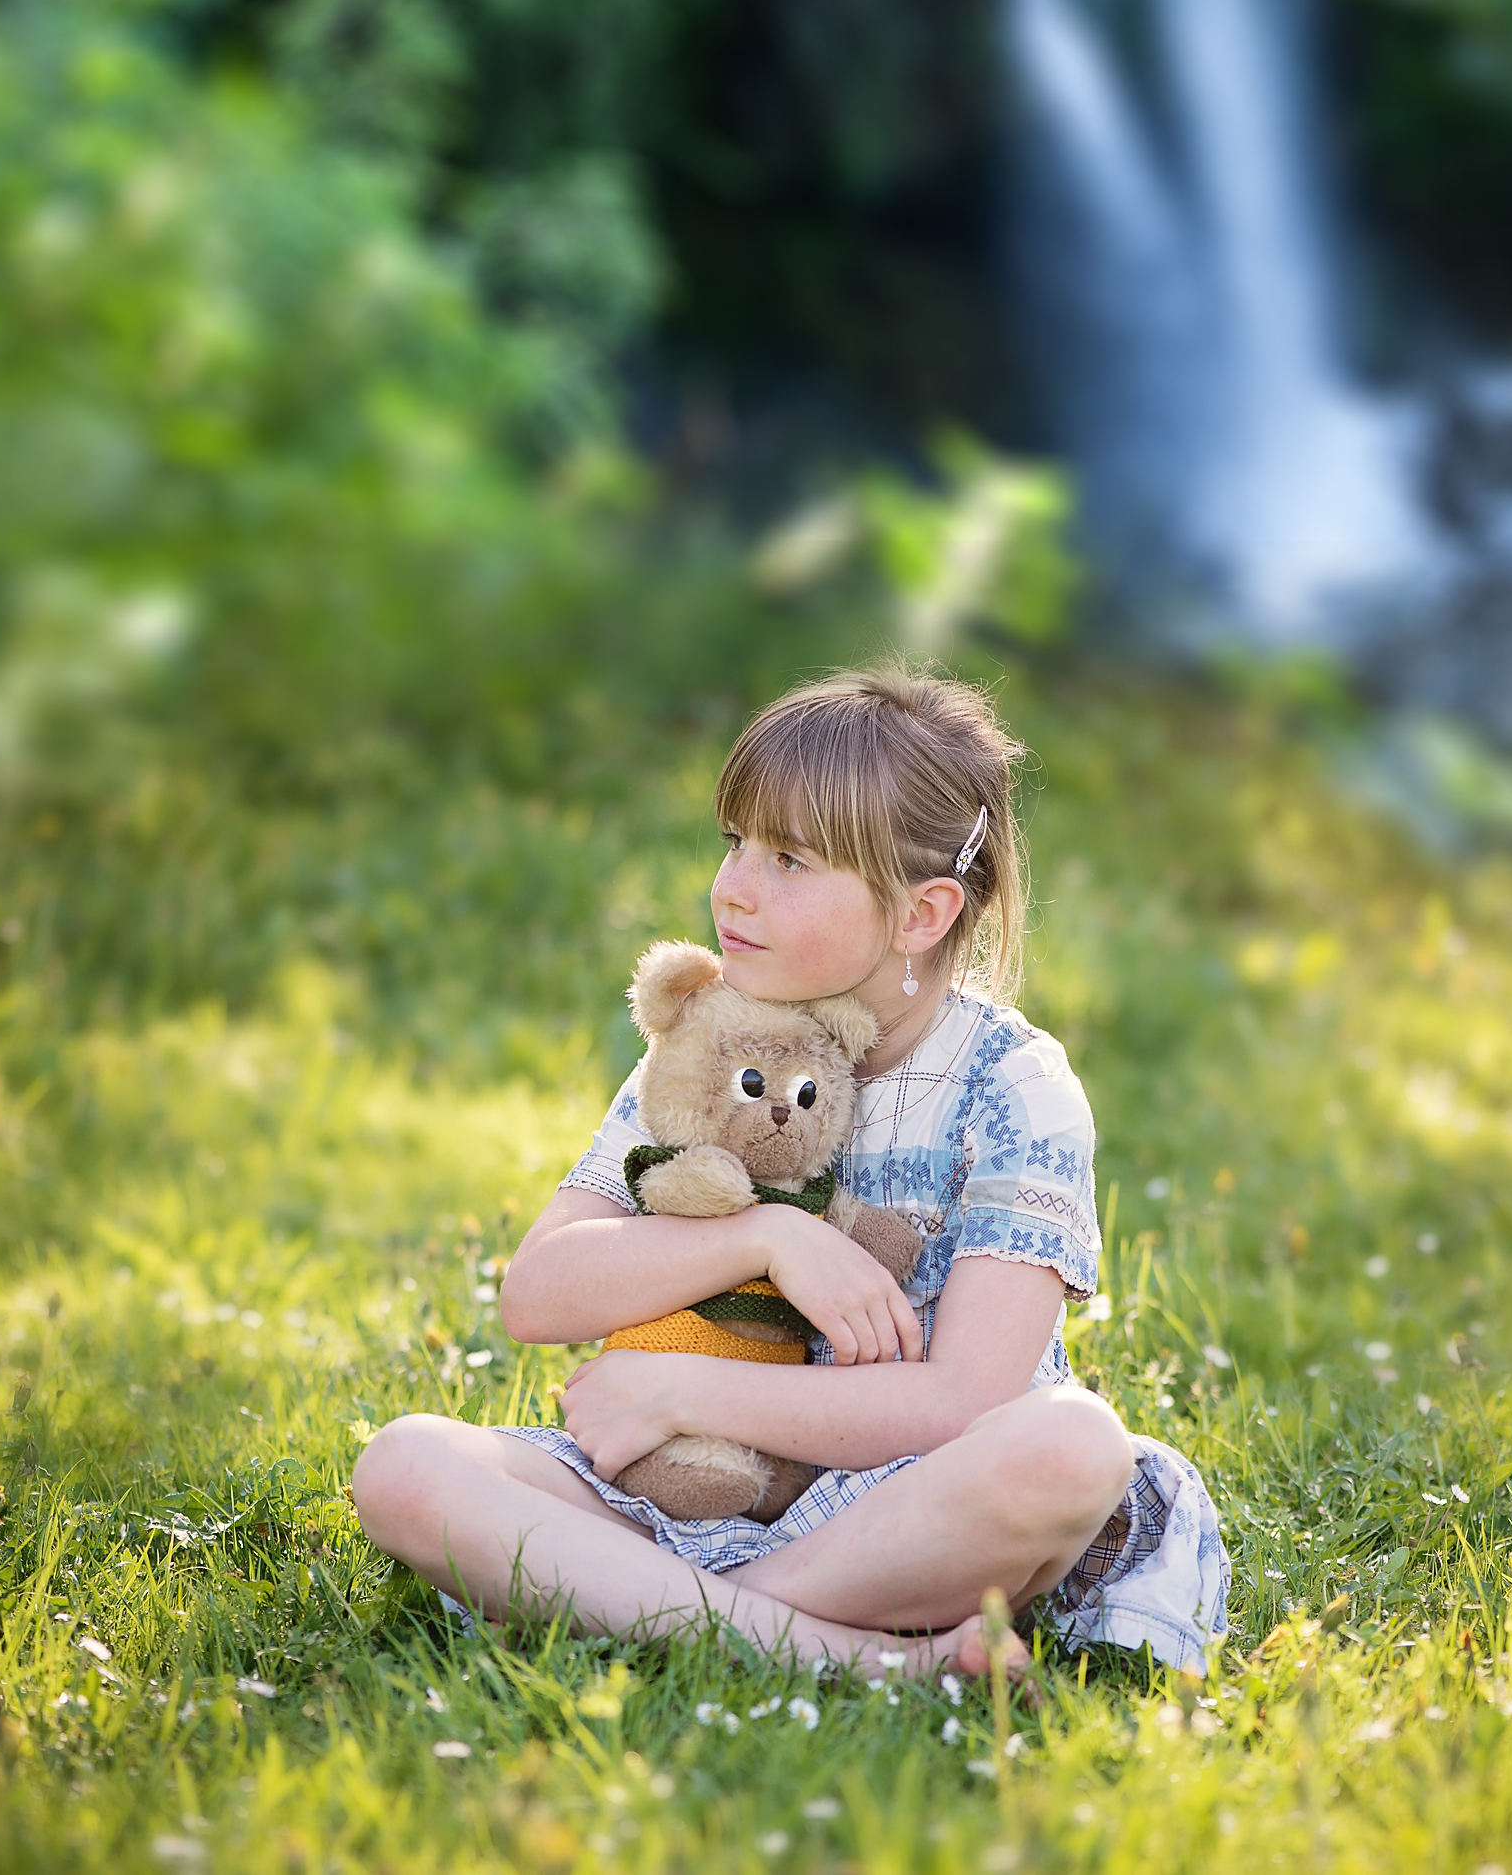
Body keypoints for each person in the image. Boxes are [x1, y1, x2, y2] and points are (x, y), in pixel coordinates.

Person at [350, 664, 1228, 1681]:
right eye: (736, 844)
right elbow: (537, 1292)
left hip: (906, 1506)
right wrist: (764, 1234)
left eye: (790, 860)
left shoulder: (1010, 1083)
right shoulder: (711, 1040)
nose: (733, 886)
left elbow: (964, 1405)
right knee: (405, 1463)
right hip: (676, 1494)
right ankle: (842, 1654)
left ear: (920, 914)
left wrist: (680, 1391)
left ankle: (641, 1609)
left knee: (1074, 1446)